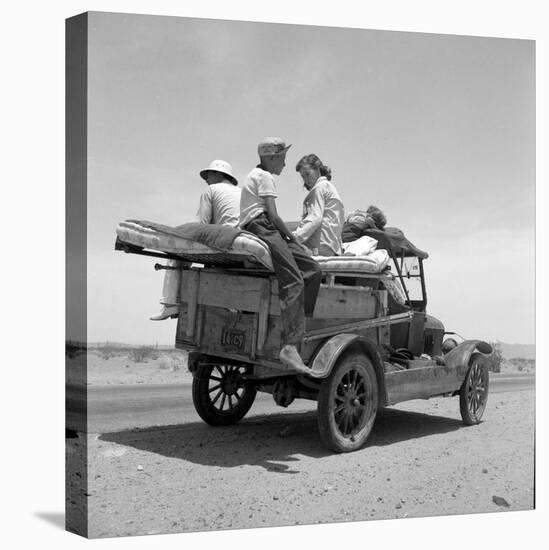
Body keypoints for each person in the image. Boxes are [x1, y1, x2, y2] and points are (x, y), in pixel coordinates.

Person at [240, 137, 322, 373]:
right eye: (283, 159)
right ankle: (290, 346)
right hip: (261, 225)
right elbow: (274, 217)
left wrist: (292, 240)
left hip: (266, 225)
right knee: (294, 281)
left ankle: (298, 326)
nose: (285, 165)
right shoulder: (264, 177)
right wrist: (294, 238)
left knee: (313, 270)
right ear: (271, 157)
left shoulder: (256, 175)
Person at [150, 160, 241, 320]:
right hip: (241, 241)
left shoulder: (211, 190)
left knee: (176, 254)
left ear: (219, 174)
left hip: (224, 242)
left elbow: (203, 225)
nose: (206, 179)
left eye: (209, 175)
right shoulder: (242, 192)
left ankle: (170, 305)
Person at [293, 154, 345, 256]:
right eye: (303, 176)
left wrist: (295, 237)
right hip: (331, 246)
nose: (306, 179)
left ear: (317, 169)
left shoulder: (319, 188)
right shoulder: (329, 187)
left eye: (308, 174)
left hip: (319, 245)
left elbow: (315, 218)